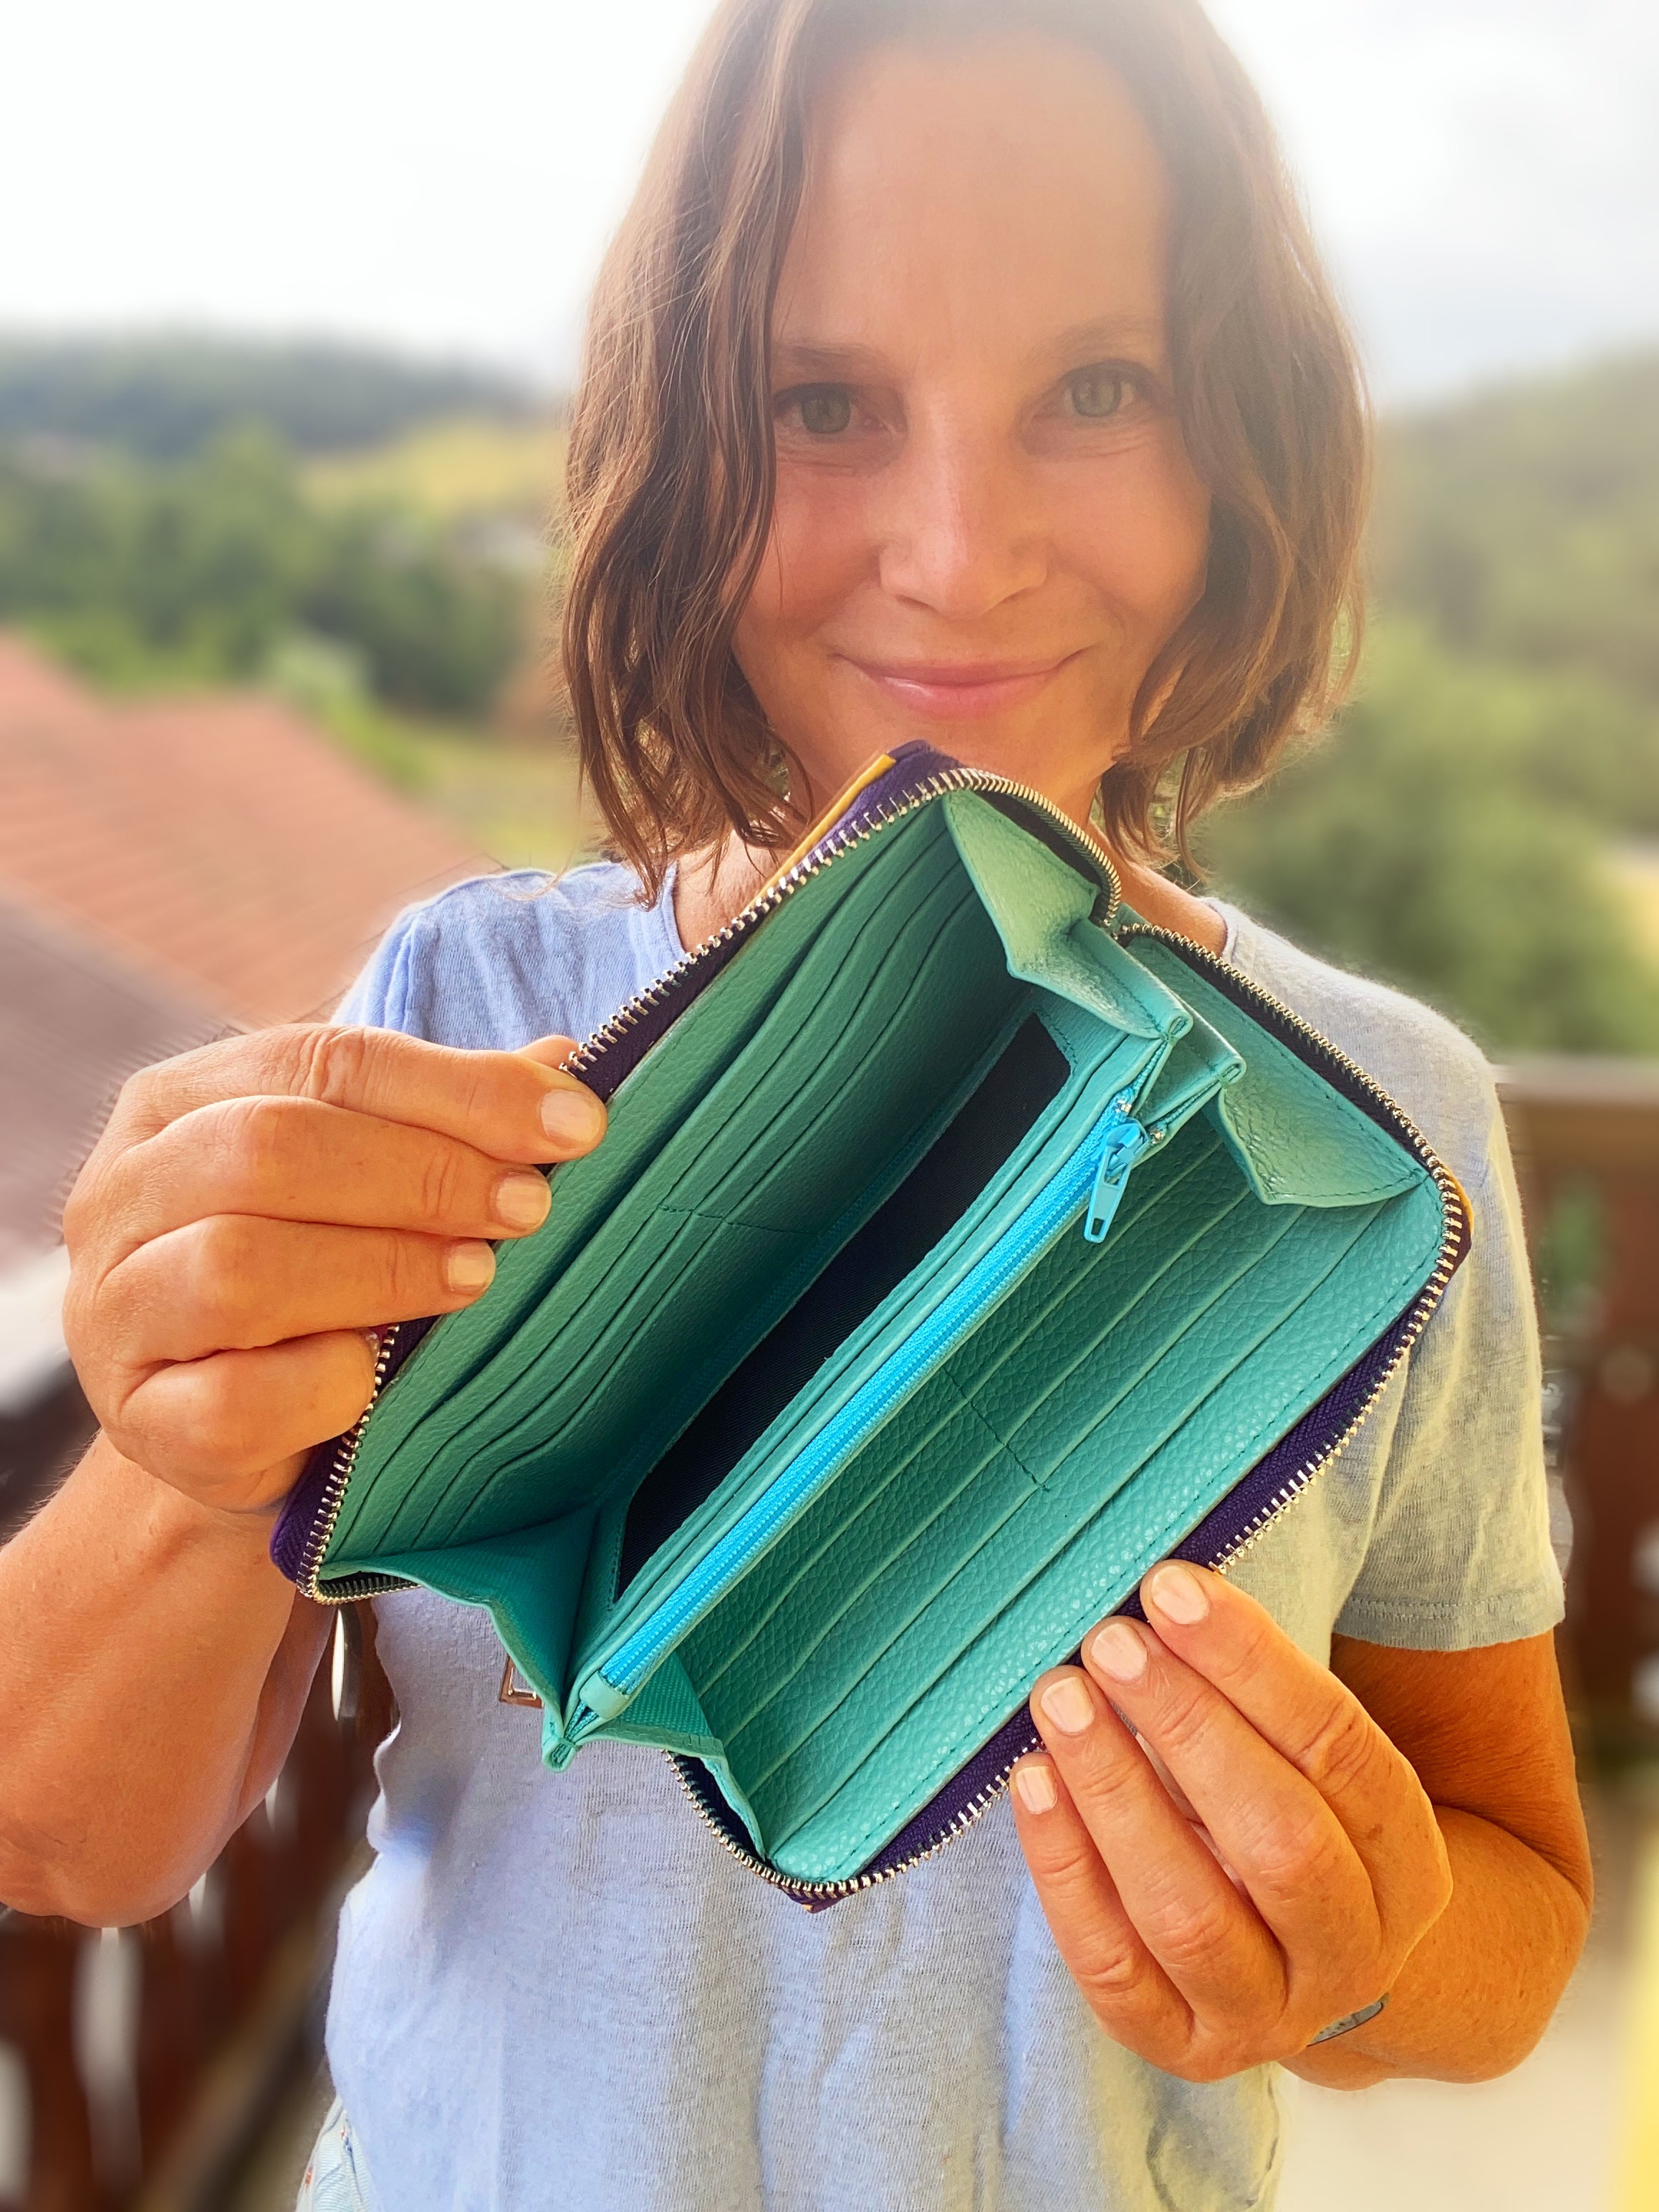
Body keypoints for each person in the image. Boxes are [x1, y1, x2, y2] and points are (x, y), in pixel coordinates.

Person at [0, 1, 1591, 2206]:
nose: (956, 552)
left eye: (1098, 390)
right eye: (819, 403)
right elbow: (69, 1840)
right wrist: (179, 1461)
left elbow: (1518, 1915)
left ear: (1246, 440)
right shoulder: (464, 1010)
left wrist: (1367, 1952)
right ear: (681, 449)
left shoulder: (1382, 1122)